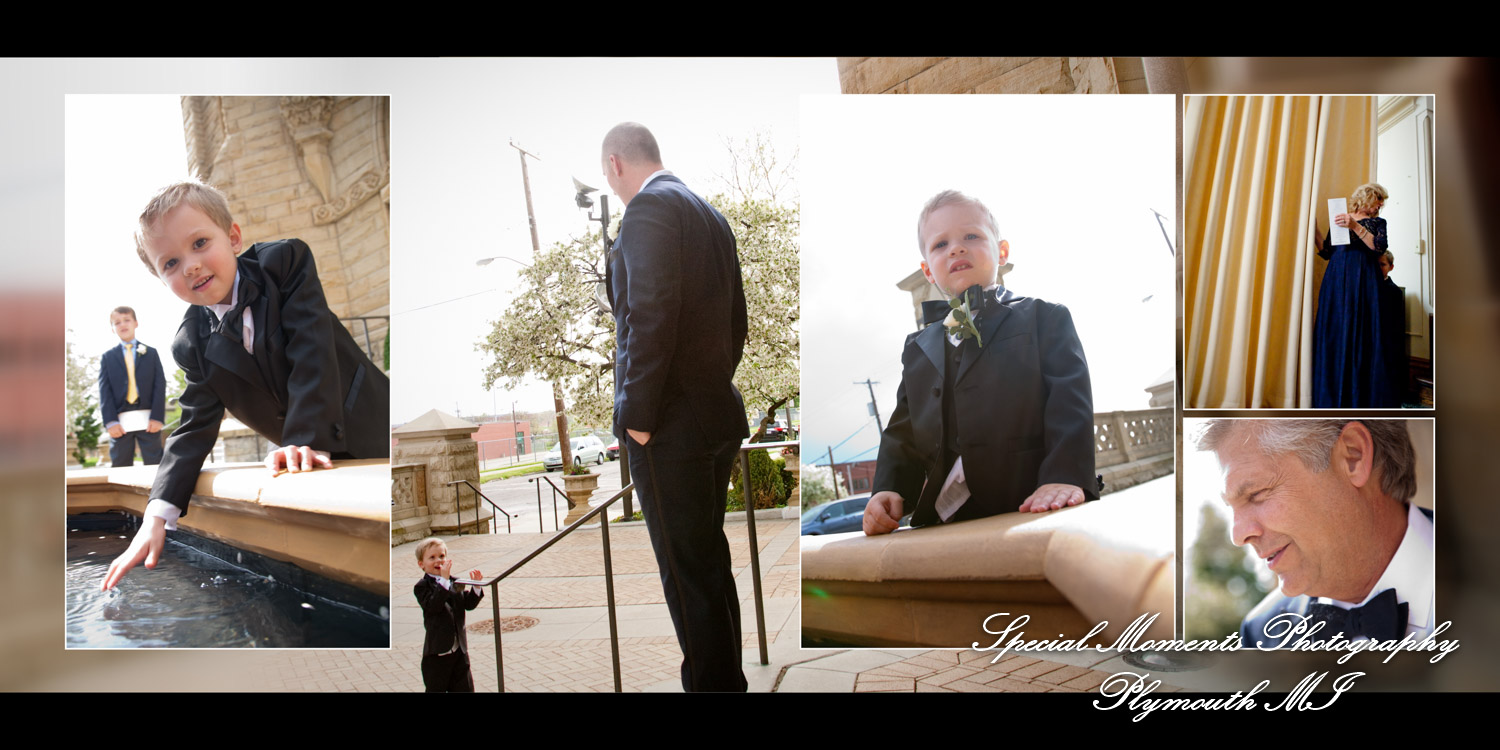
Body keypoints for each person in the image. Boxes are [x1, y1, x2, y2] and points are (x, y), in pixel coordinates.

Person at [101, 180, 391, 591]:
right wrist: (156, 514)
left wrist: (304, 437)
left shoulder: (285, 262)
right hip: (307, 460)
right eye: (171, 263)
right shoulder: (190, 343)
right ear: (162, 279)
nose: (191, 266)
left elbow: (311, 351)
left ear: (233, 237)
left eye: (200, 243)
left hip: (372, 423)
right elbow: (194, 426)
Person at [603, 122, 749, 692]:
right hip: (713, 416)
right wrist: (711, 384)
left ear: (615, 164)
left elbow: (648, 315)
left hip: (667, 427)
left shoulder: (646, 210)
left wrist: (637, 419)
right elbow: (736, 323)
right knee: (708, 566)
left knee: (688, 579)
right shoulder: (709, 214)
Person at [864, 190, 1098, 536]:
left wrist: (1064, 475)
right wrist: (888, 488)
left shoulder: (1044, 317)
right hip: (947, 518)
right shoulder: (917, 347)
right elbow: (903, 430)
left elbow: (1069, 402)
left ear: (1001, 251)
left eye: (971, 236)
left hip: (1031, 501)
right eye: (940, 244)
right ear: (928, 270)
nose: (956, 248)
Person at [1195, 419, 1433, 645]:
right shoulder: (1259, 635)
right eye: (1231, 508)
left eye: (1256, 494)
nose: (1238, 536)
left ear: (1353, 456)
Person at [1312, 183, 1394, 407]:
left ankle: (1358, 395)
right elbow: (1328, 251)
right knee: (1335, 328)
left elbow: (1379, 247)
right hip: (1336, 278)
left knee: (1361, 329)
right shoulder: (1340, 217)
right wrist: (1315, 230)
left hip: (1363, 280)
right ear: (1367, 197)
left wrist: (1354, 226)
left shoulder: (1378, 223)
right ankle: (1331, 393)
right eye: (1379, 199)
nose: (1381, 204)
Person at [413, 538, 484, 692]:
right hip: (438, 654)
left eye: (442, 556)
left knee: (465, 689)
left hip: (459, 651)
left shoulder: (456, 581)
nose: (438, 560)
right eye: (432, 557)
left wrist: (476, 587)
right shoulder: (422, 587)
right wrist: (444, 581)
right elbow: (434, 606)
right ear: (421, 564)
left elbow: (467, 604)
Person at [99, 306, 166, 467]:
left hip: (149, 420)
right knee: (120, 464)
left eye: (127, 320)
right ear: (113, 328)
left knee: (155, 463)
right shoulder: (108, 357)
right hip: (120, 421)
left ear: (136, 323)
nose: (122, 324)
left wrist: (157, 417)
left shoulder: (151, 353)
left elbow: (159, 385)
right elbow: (104, 391)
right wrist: (110, 422)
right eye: (117, 322)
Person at [1378, 251, 1407, 406]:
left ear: (1391, 267)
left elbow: (1395, 323)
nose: (1378, 268)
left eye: (1382, 264)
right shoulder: (1368, 286)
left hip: (1387, 341)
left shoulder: (1394, 291)